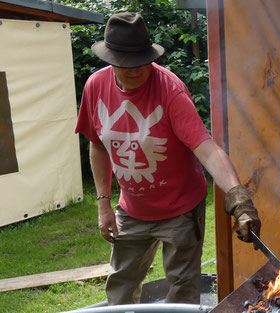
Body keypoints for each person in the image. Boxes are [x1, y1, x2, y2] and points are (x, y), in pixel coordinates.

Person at [75, 12, 261, 305]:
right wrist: (103, 204)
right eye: (126, 64)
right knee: (120, 289)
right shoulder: (95, 87)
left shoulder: (171, 91)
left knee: (182, 292)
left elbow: (207, 149)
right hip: (132, 209)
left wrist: (239, 198)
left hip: (181, 210)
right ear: (110, 59)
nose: (136, 70)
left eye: (142, 61)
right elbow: (97, 145)